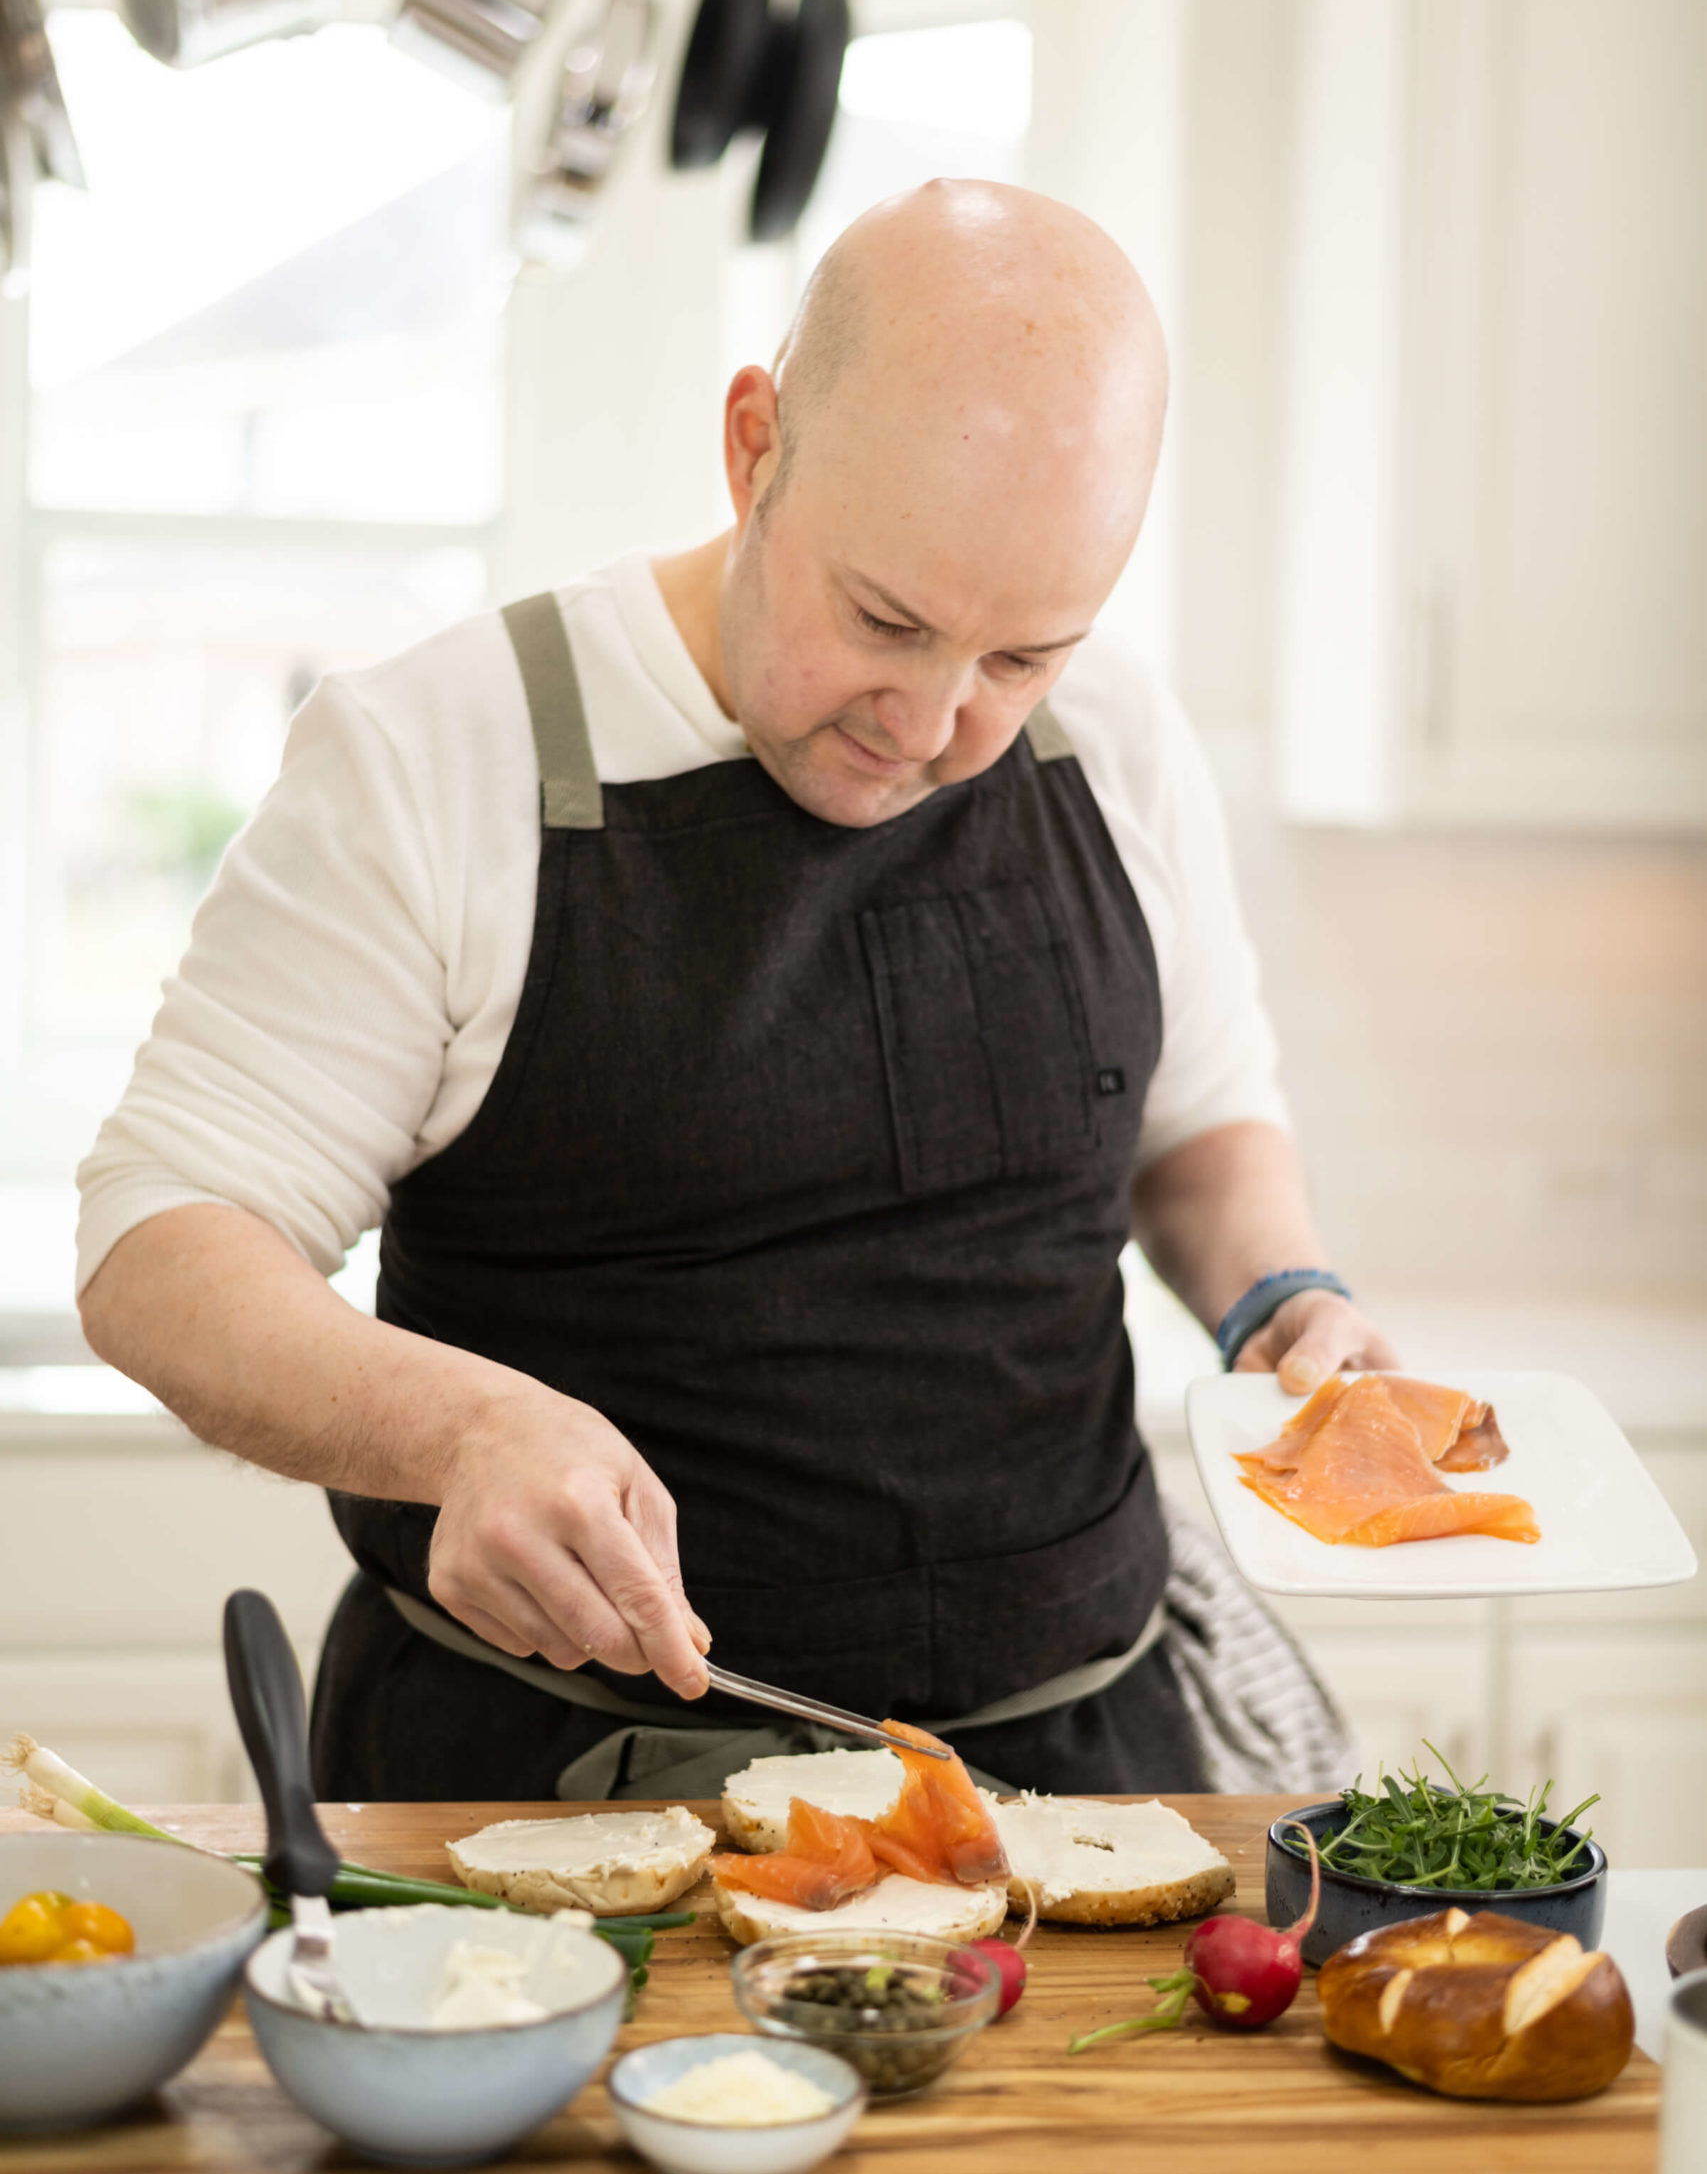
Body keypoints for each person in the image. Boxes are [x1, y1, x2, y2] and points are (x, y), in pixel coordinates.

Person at [76, 181, 1389, 1803]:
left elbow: (1198, 1123)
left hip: (1090, 1793)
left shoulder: (1113, 740)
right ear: (755, 443)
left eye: (1019, 656)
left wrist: (1279, 1303)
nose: (928, 722)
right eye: (885, 620)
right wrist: (459, 1430)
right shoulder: (440, 756)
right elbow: (162, 1246)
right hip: (562, 1816)